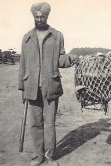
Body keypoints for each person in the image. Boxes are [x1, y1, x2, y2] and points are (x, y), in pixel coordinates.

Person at [18, 2, 77, 166]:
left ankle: (50, 156)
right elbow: (22, 63)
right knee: (35, 123)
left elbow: (60, 59)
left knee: (49, 123)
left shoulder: (57, 35)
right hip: (31, 87)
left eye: (42, 16)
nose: (39, 19)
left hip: (50, 85)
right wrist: (22, 87)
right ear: (33, 17)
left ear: (47, 16)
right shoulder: (27, 37)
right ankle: (38, 156)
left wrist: (71, 58)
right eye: (37, 17)